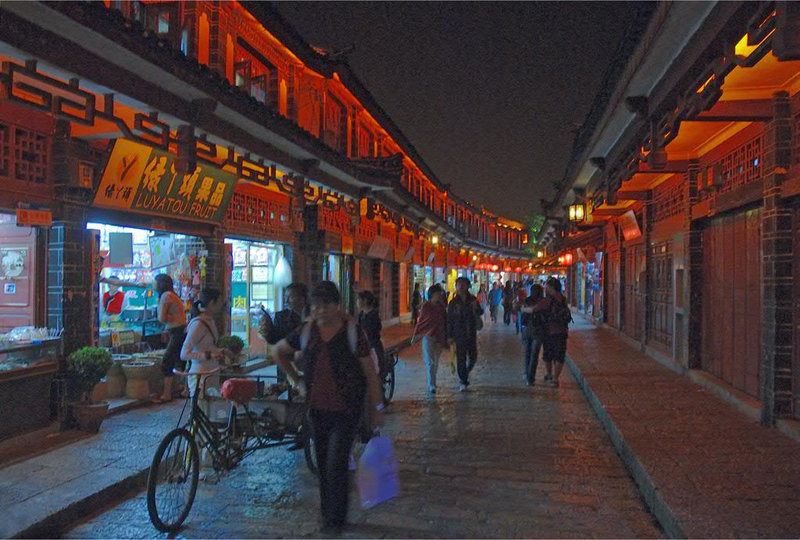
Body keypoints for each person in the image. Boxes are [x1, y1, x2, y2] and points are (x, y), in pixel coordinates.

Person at [273, 281, 383, 535]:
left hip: (347, 409)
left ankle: (336, 519)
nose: (321, 310)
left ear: (337, 305)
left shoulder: (352, 332)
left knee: (336, 461)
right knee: (323, 464)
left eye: (326, 305)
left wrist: (377, 408)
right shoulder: (306, 331)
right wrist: (295, 379)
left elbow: (370, 373)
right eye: (316, 306)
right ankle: (328, 513)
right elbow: (278, 351)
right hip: (317, 409)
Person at [523, 277, 571, 388]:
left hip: (549, 331)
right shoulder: (563, 298)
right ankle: (555, 378)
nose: (546, 288)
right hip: (562, 330)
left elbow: (535, 309)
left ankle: (549, 374)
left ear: (551, 288)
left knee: (548, 354)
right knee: (560, 355)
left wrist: (524, 309)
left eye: (548, 286)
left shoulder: (548, 300)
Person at [260, 282, 308, 381]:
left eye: (290, 297)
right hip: (287, 366)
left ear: (302, 298)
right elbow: (275, 340)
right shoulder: (281, 317)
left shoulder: (312, 317)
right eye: (285, 297)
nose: (286, 301)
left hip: (308, 366)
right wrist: (267, 331)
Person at [152, 274, 187, 403]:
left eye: (154, 281)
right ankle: (181, 388)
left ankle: (167, 393)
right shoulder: (171, 295)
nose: (152, 283)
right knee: (178, 360)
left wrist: (168, 317)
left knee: (167, 361)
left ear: (160, 283)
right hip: (179, 331)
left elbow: (161, 318)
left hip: (177, 332)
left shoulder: (166, 296)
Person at [447, 277, 483, 391]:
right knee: (461, 358)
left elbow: (480, 312)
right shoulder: (453, 302)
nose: (461, 287)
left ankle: (465, 373)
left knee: (473, 357)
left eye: (463, 285)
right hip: (459, 334)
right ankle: (463, 380)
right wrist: (449, 336)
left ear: (468, 286)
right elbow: (449, 320)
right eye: (459, 285)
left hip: (471, 332)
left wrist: (476, 308)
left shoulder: (472, 299)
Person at [413, 284, 447, 395]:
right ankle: (431, 384)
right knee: (430, 362)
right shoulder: (426, 306)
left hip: (439, 337)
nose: (440, 295)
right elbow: (422, 322)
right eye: (438, 293)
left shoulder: (441, 307)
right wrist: (416, 335)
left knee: (436, 362)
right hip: (428, 337)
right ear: (432, 294)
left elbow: (444, 321)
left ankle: (433, 382)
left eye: (440, 293)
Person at [520, 284, 546, 386]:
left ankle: (528, 375)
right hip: (538, 330)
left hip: (527, 329)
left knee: (528, 353)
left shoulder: (527, 301)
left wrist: (524, 309)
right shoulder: (543, 301)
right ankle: (530, 377)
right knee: (534, 354)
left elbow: (525, 311)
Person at [357, 290, 385, 376]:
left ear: (364, 301)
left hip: (373, 347)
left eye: (358, 299)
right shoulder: (361, 315)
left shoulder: (373, 316)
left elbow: (372, 332)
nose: (357, 302)